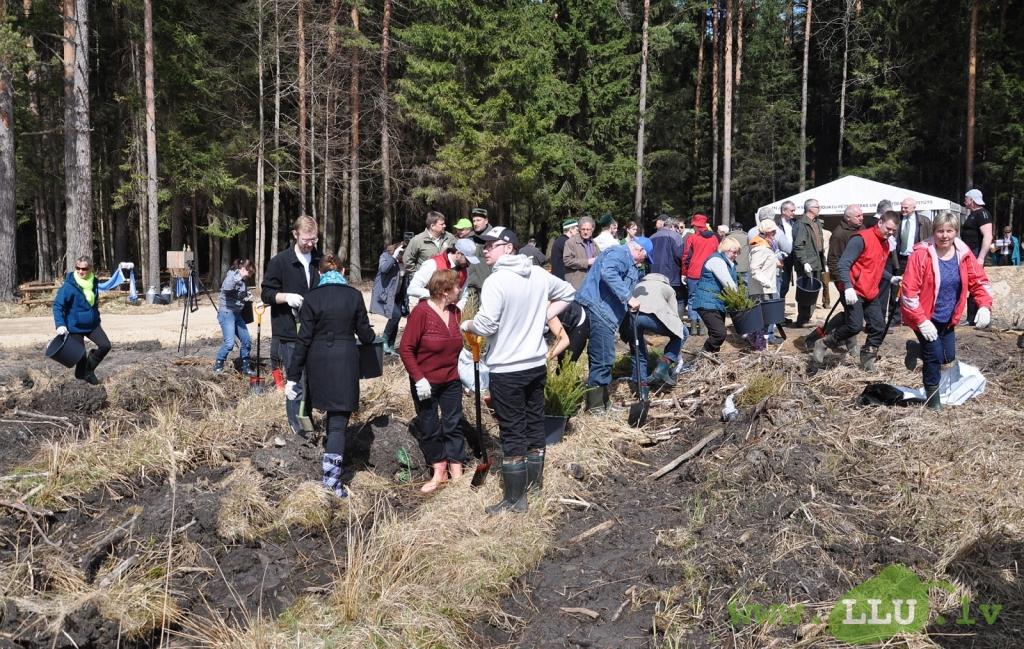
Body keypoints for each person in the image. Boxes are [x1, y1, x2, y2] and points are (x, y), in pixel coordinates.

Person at [460, 226, 576, 514]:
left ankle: (515, 500)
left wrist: (467, 325)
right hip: (535, 364)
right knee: (535, 425)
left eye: (490, 245)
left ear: (508, 247)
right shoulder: (536, 272)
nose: (485, 249)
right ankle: (534, 489)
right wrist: (542, 317)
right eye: (483, 245)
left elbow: (486, 325)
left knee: (512, 432)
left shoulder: (496, 281)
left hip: (508, 368)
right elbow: (569, 292)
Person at [285, 254, 375, 497]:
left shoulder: (312, 298)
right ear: (343, 271)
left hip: (318, 361)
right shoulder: (354, 296)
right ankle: (332, 482)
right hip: (345, 360)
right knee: (338, 423)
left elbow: (303, 340)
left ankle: (329, 471)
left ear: (320, 273)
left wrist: (292, 376)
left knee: (328, 417)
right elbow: (366, 335)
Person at [901, 211, 993, 410]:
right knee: (933, 357)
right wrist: (921, 321)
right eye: (940, 231)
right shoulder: (921, 254)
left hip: (949, 317)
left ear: (956, 232)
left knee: (947, 358)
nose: (945, 235)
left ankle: (917, 349)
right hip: (925, 316)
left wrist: (985, 305)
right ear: (933, 232)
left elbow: (980, 281)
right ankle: (932, 401)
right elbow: (909, 292)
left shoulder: (964, 254)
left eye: (949, 231)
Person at [399, 270, 467, 493]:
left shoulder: (456, 313)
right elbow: (406, 348)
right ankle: (440, 472)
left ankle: (457, 472)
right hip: (425, 382)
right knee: (429, 425)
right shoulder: (421, 312)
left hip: (451, 380)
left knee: (453, 423)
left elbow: (461, 348)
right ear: (444, 291)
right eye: (456, 287)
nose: (460, 290)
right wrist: (419, 378)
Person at [813, 212, 900, 370]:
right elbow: (843, 264)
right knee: (855, 326)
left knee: (879, 326)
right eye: (888, 228)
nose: (891, 232)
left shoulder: (885, 244)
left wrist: (890, 277)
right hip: (854, 290)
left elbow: (875, 267)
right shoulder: (861, 239)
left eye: (894, 230)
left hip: (870, 291)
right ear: (880, 222)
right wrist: (848, 287)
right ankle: (824, 342)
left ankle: (868, 358)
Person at [576, 237, 654, 407]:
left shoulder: (627, 259)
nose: (643, 262)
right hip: (600, 310)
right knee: (604, 357)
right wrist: (628, 298)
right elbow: (608, 272)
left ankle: (603, 401)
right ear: (639, 250)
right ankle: (596, 407)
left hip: (606, 312)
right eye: (645, 257)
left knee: (600, 356)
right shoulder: (619, 253)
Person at [261, 215, 321, 432]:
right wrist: (286, 297)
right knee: (295, 382)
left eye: (314, 239)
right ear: (295, 235)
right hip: (289, 333)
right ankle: (297, 429)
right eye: (306, 239)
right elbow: (266, 294)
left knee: (313, 382)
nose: (311, 243)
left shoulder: (318, 260)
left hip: (315, 332)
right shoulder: (280, 262)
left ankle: (308, 421)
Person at [52, 255, 112, 385]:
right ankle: (82, 380)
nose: (80, 271)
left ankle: (88, 370)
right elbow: (57, 306)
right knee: (80, 355)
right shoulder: (69, 286)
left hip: (92, 324)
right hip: (74, 326)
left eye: (84, 269)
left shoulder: (94, 282)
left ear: (90, 268)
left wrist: (97, 318)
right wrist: (60, 325)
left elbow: (94, 303)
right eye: (78, 268)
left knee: (105, 345)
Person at [630, 273, 687, 388]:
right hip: (652, 316)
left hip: (632, 319)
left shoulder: (637, 285)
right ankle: (662, 367)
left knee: (638, 353)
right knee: (682, 333)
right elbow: (674, 316)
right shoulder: (667, 288)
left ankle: (641, 388)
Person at [691, 238, 741, 354]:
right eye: (734, 252)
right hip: (707, 302)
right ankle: (703, 356)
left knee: (714, 334)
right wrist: (740, 300)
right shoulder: (716, 261)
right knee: (719, 333)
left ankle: (712, 361)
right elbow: (729, 284)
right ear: (725, 249)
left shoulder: (728, 262)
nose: (736, 255)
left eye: (737, 252)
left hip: (717, 303)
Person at [406, 238, 478, 310]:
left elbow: (464, 296)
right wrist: (438, 295)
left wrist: (458, 310)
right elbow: (412, 289)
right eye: (467, 260)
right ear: (458, 254)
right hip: (427, 310)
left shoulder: (465, 271)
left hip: (448, 314)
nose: (469, 264)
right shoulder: (432, 264)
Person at [214, 258, 257, 375]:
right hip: (227, 313)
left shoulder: (242, 280)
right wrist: (238, 277)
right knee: (229, 343)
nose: (249, 275)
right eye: (249, 272)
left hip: (237, 314)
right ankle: (218, 366)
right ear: (243, 269)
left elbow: (239, 294)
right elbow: (227, 288)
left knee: (247, 340)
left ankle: (245, 366)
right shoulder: (231, 276)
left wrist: (246, 296)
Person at [790, 198, 825, 327]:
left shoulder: (816, 223)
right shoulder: (801, 224)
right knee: (806, 292)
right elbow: (799, 245)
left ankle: (808, 318)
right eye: (817, 206)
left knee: (814, 291)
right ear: (810, 208)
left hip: (816, 263)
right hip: (807, 264)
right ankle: (803, 319)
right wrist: (804, 262)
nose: (819, 208)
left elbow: (819, 245)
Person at [681, 213, 718, 333]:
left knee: (692, 299)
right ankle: (703, 328)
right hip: (709, 273)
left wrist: (684, 273)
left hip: (694, 273)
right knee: (706, 299)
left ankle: (693, 328)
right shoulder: (714, 239)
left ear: (696, 226)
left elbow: (686, 257)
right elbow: (717, 257)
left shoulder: (691, 238)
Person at [748, 220, 782, 348]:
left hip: (764, 288)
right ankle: (759, 346)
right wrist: (767, 283)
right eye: (773, 231)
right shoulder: (760, 247)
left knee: (764, 318)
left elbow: (764, 262)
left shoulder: (765, 244)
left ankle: (759, 343)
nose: (775, 233)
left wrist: (776, 263)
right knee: (762, 319)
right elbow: (755, 269)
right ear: (766, 232)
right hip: (762, 289)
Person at [962, 189, 993, 325]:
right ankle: (970, 318)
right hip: (969, 254)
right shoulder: (973, 214)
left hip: (976, 254)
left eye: (966, 198)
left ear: (972, 201)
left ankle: (977, 317)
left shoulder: (983, 214)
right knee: (970, 284)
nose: (964, 201)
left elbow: (988, 236)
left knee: (976, 284)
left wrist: (980, 258)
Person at [370, 241, 405, 355]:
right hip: (386, 293)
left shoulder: (404, 261)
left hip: (398, 294)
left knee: (396, 318)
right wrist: (394, 256)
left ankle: (391, 345)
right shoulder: (386, 256)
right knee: (396, 315)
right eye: (402, 252)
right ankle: (384, 341)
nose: (404, 255)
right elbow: (384, 268)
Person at [650, 215, 686, 315]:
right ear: (673, 226)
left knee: (659, 301)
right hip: (672, 276)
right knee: (679, 301)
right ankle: (677, 323)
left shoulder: (652, 237)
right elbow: (681, 255)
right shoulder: (676, 237)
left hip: (654, 276)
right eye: (677, 227)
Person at [404, 211, 456, 276]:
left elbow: (457, 256)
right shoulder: (417, 240)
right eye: (442, 224)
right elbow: (407, 261)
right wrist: (416, 277)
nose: (444, 226)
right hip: (426, 282)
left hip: (445, 281)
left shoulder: (450, 237)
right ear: (432, 226)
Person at [894, 197, 933, 275]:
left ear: (914, 208)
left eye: (906, 208)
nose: (903, 209)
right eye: (902, 207)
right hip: (900, 259)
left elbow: (931, 239)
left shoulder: (924, 221)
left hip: (916, 258)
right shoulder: (896, 219)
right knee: (898, 284)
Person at [563, 216, 598, 289]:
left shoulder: (594, 243)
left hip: (591, 283)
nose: (585, 232)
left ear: (592, 230)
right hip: (577, 284)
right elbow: (567, 261)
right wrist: (587, 262)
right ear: (579, 229)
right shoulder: (571, 242)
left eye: (588, 229)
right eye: (583, 229)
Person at [724, 222, 751, 287]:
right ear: (741, 229)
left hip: (731, 267)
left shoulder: (727, 238)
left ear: (732, 229)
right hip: (744, 267)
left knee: (732, 287)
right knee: (745, 287)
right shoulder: (747, 237)